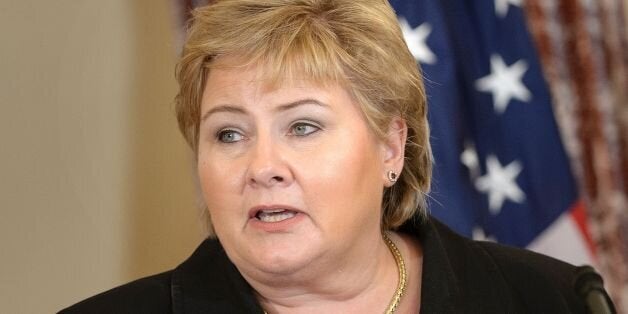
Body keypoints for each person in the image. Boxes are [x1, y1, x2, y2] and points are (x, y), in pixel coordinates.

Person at [60, 0, 613, 313]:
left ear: (391, 146)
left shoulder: (554, 302)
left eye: (302, 126)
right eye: (229, 134)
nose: (262, 166)